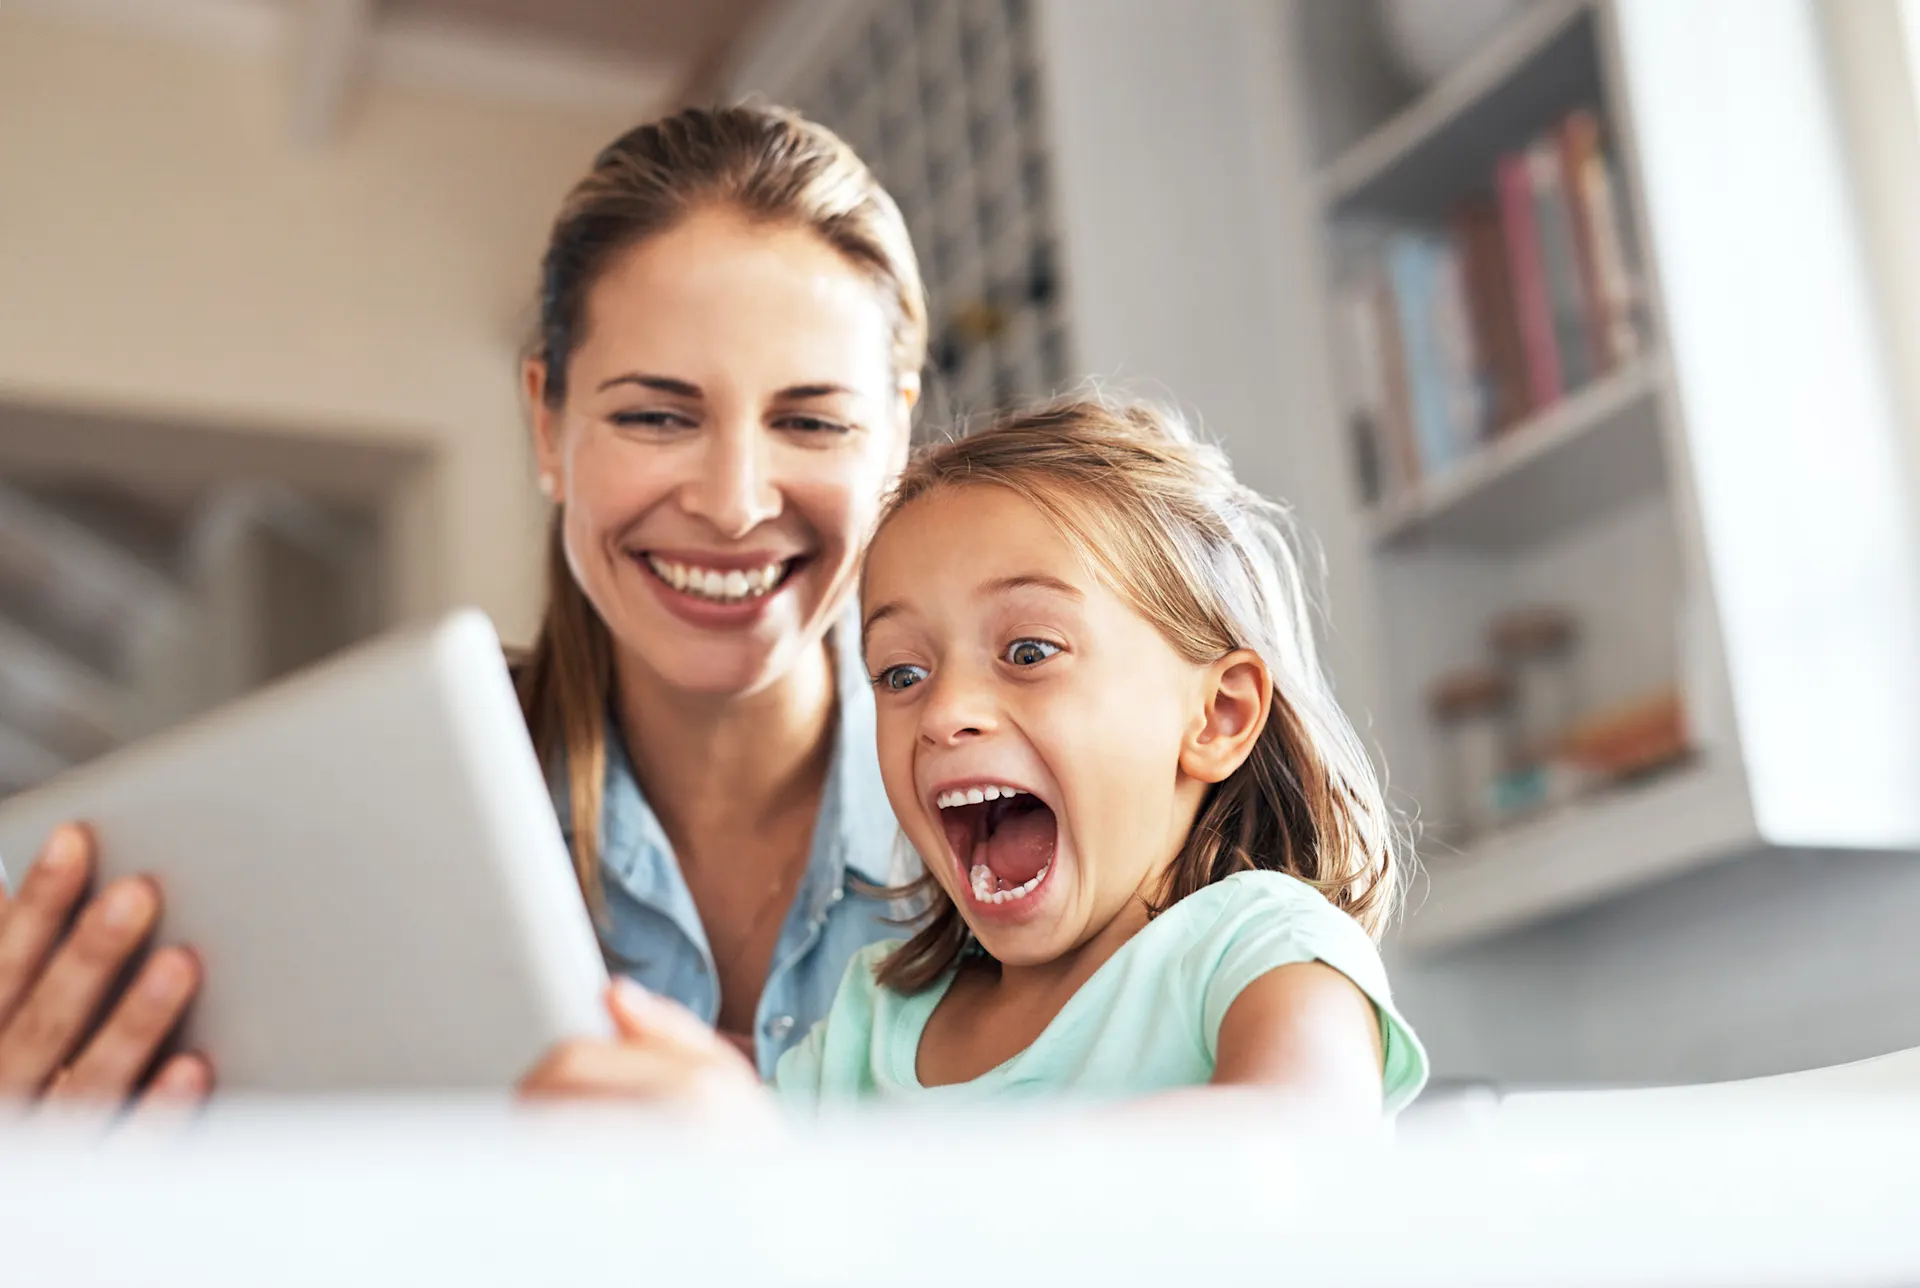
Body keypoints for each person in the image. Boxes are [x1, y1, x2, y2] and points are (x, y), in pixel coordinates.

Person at [0, 103, 930, 1101]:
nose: (734, 501)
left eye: (812, 420)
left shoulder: (1035, 811)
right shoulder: (363, 846)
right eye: (656, 415)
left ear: (895, 436)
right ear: (546, 421)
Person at [519, 398, 1429, 1121]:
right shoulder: (868, 1026)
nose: (944, 713)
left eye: (1029, 652)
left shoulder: (1259, 949)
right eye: (901, 672)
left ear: (1218, 715)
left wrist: (797, 1185)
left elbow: (1296, 1153)